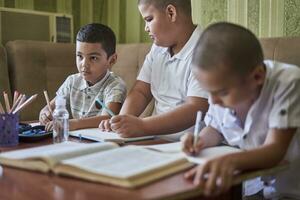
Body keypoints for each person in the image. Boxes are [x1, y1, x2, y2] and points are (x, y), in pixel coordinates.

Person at [182, 22, 300, 199]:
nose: (213, 101)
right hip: (252, 187)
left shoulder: (288, 82)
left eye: (222, 92)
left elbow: (276, 150)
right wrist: (198, 141)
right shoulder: (222, 89)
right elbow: (214, 129)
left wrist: (230, 161)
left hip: (290, 190)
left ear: (257, 76)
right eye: (209, 92)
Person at [99, 0, 209, 140]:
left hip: (185, 143)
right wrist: (121, 120)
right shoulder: (158, 47)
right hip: (152, 136)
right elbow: (141, 91)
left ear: (171, 13)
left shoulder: (206, 50)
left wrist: (142, 126)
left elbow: (196, 108)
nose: (146, 28)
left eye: (149, 19)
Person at [39, 23, 127, 131]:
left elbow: (108, 117)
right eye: (80, 56)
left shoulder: (115, 85)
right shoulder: (72, 81)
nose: (84, 64)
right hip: (77, 140)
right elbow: (50, 107)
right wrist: (44, 113)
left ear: (112, 60)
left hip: (101, 141)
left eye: (93, 58)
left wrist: (74, 124)